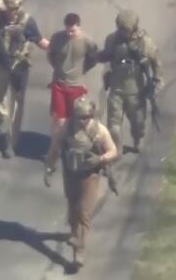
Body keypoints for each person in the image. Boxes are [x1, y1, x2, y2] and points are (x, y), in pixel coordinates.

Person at [44, 95, 119, 269]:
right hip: (70, 174)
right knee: (72, 205)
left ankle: (80, 250)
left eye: (84, 117)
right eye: (78, 116)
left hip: (89, 176)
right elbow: (54, 148)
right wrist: (48, 168)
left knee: (84, 212)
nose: (81, 120)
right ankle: (72, 231)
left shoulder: (100, 131)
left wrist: (100, 159)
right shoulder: (65, 127)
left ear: (91, 116)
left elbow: (113, 151)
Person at [0, 0, 49, 158]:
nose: (12, 11)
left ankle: (11, 141)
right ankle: (3, 133)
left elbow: (40, 41)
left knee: (17, 104)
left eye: (15, 7)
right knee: (0, 100)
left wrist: (59, 48)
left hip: (20, 68)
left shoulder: (28, 22)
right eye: (9, 6)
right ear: (4, 5)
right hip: (0, 65)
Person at [97, 8, 163, 153]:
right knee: (114, 126)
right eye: (121, 29)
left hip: (136, 92)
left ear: (134, 28)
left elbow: (156, 63)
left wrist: (156, 84)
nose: (123, 32)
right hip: (116, 90)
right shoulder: (112, 40)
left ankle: (137, 139)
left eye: (126, 30)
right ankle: (116, 150)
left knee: (138, 124)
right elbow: (106, 55)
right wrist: (93, 56)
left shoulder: (145, 43)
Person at [44, 13, 98, 172]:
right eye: (67, 30)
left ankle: (79, 153)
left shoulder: (87, 42)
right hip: (59, 85)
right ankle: (51, 159)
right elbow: (51, 56)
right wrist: (58, 70)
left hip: (77, 87)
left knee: (78, 121)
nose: (69, 33)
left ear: (79, 27)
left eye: (72, 31)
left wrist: (82, 71)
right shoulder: (57, 38)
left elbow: (93, 59)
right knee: (59, 122)